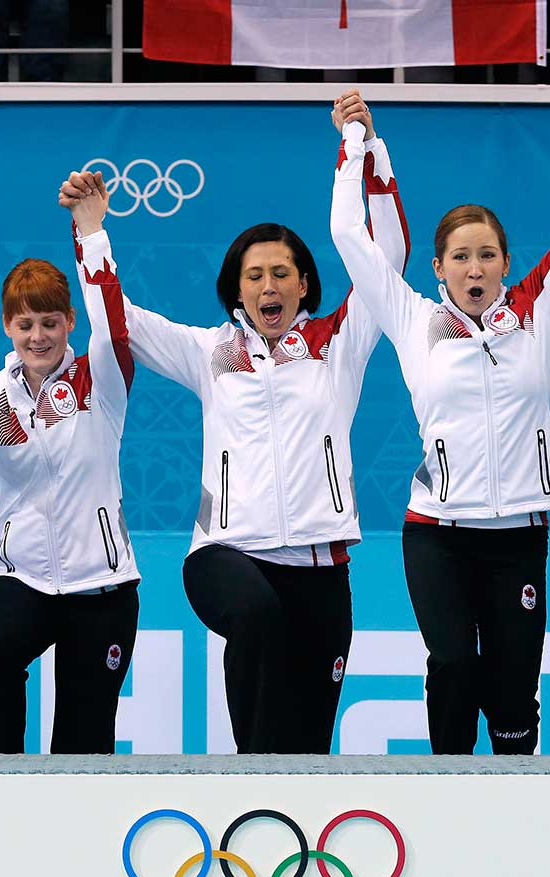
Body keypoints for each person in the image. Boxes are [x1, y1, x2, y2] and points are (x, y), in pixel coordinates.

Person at [59, 93, 407, 755]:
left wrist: (365, 149)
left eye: (282, 272)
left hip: (321, 567)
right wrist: (91, 230)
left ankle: (269, 825)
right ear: (236, 290)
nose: (268, 285)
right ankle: (250, 785)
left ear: (305, 285)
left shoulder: (341, 343)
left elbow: (388, 254)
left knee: (303, 747)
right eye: (255, 275)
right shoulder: (209, 352)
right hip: (226, 555)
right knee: (256, 618)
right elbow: (115, 322)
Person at [329, 76, 550, 755]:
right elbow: (348, 231)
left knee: (514, 691)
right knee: (453, 665)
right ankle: (447, 795)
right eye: (460, 256)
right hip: (436, 534)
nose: (475, 267)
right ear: (438, 266)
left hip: (519, 534)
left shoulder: (535, 307)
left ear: (504, 263)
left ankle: (514, 817)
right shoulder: (412, 318)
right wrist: (359, 143)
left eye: (486, 255)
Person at [0, 180, 139, 755]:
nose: (38, 336)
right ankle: (2, 782)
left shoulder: (103, 378)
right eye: (24, 325)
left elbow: (114, 321)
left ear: (70, 321)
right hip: (18, 576)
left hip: (102, 583)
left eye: (50, 322)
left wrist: (92, 231)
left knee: (85, 743)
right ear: (7, 327)